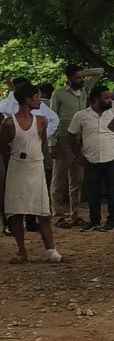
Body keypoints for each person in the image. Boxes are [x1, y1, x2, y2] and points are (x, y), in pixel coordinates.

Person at [0, 84, 62, 263]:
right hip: (17, 167)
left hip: (36, 167)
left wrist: (44, 162)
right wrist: (11, 166)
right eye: (36, 97)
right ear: (27, 99)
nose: (39, 100)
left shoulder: (41, 121)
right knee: (17, 211)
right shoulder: (9, 123)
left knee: (43, 211)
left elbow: (42, 145)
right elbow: (4, 149)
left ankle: (50, 249)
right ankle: (21, 250)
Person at [49, 64, 104, 228]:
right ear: (69, 78)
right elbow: (53, 117)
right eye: (77, 77)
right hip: (63, 138)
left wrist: (83, 73)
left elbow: (100, 71)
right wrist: (52, 142)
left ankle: (75, 215)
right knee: (59, 180)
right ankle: (58, 215)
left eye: (82, 77)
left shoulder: (85, 89)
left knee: (77, 179)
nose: (81, 80)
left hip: (80, 139)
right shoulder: (59, 93)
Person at [68, 86, 114, 231]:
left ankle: (112, 221)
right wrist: (78, 155)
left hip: (112, 159)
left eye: (110, 97)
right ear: (96, 99)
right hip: (90, 159)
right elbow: (71, 136)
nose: (110, 100)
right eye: (106, 98)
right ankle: (94, 221)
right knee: (93, 193)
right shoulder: (81, 115)